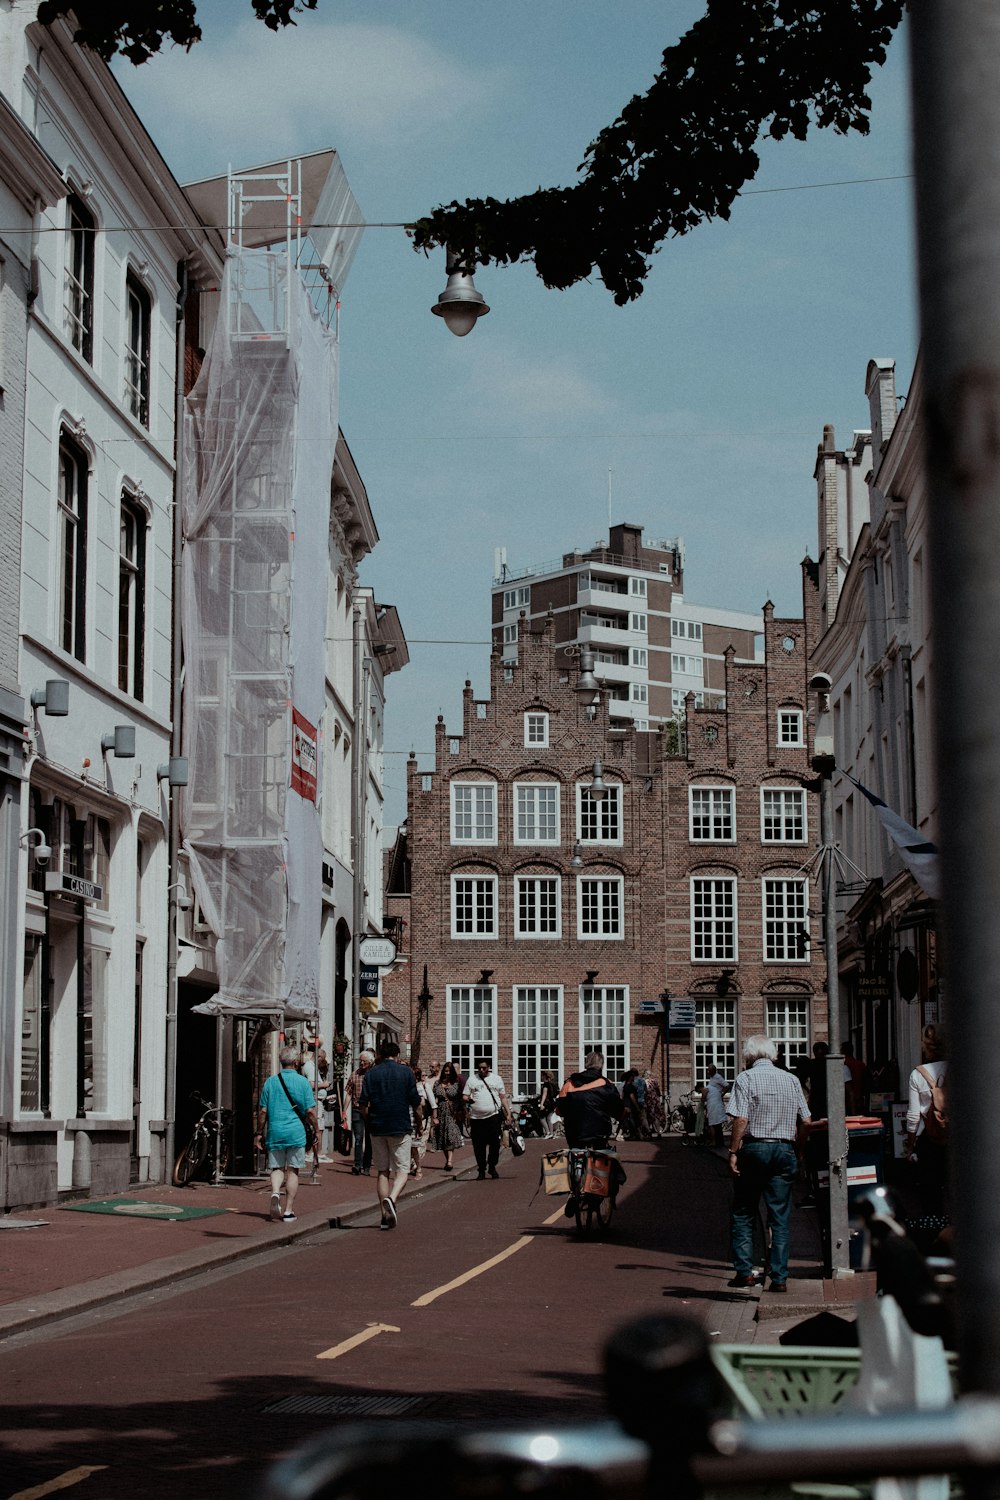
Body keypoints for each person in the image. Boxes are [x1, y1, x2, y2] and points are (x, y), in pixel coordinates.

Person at [726, 1034, 810, 1293]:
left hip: (754, 1148)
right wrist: (799, 1149)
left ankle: (744, 1273)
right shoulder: (792, 1079)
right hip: (784, 1149)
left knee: (743, 1212)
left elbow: (741, 1119)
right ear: (774, 1055)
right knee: (779, 1217)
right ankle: (779, 1277)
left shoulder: (746, 1078)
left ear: (749, 1056)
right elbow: (806, 1121)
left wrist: (733, 1151)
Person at [359, 1038, 422, 1230]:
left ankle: (384, 1217)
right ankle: (392, 1199)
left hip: (377, 1127)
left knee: (382, 1171)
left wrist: (370, 1119)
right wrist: (419, 1122)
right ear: (397, 1055)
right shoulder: (406, 1072)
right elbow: (416, 1103)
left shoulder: (371, 1074)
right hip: (400, 1125)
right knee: (403, 1170)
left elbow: (362, 1104)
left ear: (379, 1055)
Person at [255, 1044, 318, 1224]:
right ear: (296, 1062)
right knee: (293, 1170)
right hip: (296, 1133)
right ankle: (289, 1211)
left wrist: (259, 1132)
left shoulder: (270, 1082)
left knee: (277, 1168)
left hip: (275, 1131)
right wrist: (315, 1130)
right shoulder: (303, 1082)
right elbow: (311, 1111)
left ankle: (275, 1191)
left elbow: (263, 1111)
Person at [905, 1024, 948, 1216]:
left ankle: (936, 1232)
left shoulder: (918, 1074)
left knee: (930, 1192)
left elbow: (914, 1115)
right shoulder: (963, 1069)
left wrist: (911, 1145)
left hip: (929, 1140)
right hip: (957, 1139)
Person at [557, 1051, 623, 1147]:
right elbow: (618, 1110)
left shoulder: (569, 1083)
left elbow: (559, 1111)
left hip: (574, 1136)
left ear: (586, 1063)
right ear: (602, 1065)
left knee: (574, 1156)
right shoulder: (606, 1084)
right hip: (600, 1134)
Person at [463, 1057, 513, 1179]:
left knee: (495, 1144)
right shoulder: (472, 1079)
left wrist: (508, 1114)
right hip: (476, 1118)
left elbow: (503, 1097)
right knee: (478, 1145)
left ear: (489, 1067)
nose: (481, 1070)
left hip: (493, 1116)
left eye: (484, 1068)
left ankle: (492, 1166)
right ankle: (481, 1169)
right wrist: (468, 1099)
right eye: (479, 1068)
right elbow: (464, 1095)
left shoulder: (496, 1079)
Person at [431, 1061, 464, 1170]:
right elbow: (433, 1100)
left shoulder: (456, 1083)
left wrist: (460, 1111)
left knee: (450, 1134)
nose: (447, 1073)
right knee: (442, 1137)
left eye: (449, 1071)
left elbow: (460, 1098)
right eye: (446, 1071)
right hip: (440, 1111)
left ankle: (450, 1161)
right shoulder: (437, 1083)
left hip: (451, 1112)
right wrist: (434, 1116)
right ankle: (447, 1160)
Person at [346, 1049, 374, 1176]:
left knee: (369, 1138)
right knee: (358, 1137)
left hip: (371, 1110)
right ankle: (357, 1164)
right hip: (357, 1109)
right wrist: (344, 1110)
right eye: (361, 1061)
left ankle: (367, 1165)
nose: (362, 1064)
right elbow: (348, 1093)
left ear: (370, 1062)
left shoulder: (375, 1075)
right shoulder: (354, 1074)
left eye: (364, 1062)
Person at [409, 1065, 435, 1179]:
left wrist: (434, 1116)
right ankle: (411, 1166)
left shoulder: (422, 1086)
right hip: (407, 1119)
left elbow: (427, 1103)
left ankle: (417, 1167)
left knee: (417, 1145)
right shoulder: (406, 1087)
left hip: (420, 1118)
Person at [702, 1063, 730, 1148]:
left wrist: (721, 1094)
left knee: (715, 1124)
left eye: (709, 1071)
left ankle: (717, 1142)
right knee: (717, 1124)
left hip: (715, 1102)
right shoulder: (712, 1077)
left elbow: (727, 1085)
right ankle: (719, 1142)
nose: (708, 1072)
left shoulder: (717, 1077)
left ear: (713, 1071)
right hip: (714, 1101)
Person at [623, 1069, 652, 1138]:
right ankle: (648, 1131)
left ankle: (637, 1134)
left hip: (634, 1102)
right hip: (642, 1101)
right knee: (643, 1118)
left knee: (635, 1119)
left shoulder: (632, 1082)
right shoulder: (642, 1080)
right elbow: (646, 1091)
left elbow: (631, 1094)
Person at [538, 1069, 559, 1138]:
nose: (541, 1077)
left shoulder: (546, 1084)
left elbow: (544, 1094)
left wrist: (541, 1104)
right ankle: (552, 1133)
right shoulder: (554, 1083)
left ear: (545, 1076)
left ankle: (548, 1132)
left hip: (547, 1103)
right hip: (553, 1103)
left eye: (542, 1076)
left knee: (541, 1117)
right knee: (549, 1118)